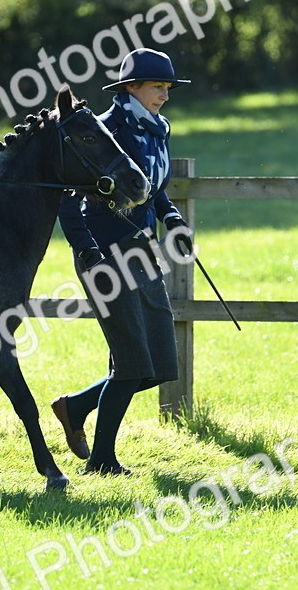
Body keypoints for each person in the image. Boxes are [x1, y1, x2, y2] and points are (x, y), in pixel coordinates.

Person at [50, 47, 194, 475]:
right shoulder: (105, 130)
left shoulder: (156, 129)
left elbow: (149, 185)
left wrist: (171, 218)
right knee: (132, 362)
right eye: (157, 87)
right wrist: (84, 246)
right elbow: (64, 195)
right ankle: (101, 461)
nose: (164, 96)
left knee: (157, 364)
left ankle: (75, 408)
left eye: (167, 88)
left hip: (141, 251)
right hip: (104, 254)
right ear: (132, 87)